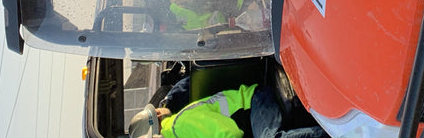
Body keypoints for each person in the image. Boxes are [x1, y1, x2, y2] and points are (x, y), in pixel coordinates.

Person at [128, 83, 325, 138]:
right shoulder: (179, 128)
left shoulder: (181, 126)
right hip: (252, 110)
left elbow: (230, 133)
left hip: (254, 102)